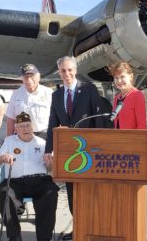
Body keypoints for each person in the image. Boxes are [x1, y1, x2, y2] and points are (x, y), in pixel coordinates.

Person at [45, 56, 109, 240]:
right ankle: (79, 228)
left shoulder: (89, 89)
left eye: (69, 70)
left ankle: (93, 228)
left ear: (75, 70)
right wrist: (48, 150)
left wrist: (100, 148)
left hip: (89, 152)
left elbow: (98, 120)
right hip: (69, 154)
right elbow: (52, 124)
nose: (67, 74)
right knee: (73, 193)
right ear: (59, 72)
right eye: (63, 71)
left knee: (89, 193)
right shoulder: (56, 95)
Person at [0, 112, 59, 241]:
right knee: (5, 194)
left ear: (33, 127)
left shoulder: (43, 143)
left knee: (51, 192)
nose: (25, 129)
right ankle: (14, 236)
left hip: (39, 180)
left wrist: (51, 163)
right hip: (15, 182)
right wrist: (3, 157)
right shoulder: (9, 141)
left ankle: (44, 238)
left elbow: (50, 169)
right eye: (21, 126)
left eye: (28, 126)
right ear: (16, 129)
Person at [5, 64, 53, 139]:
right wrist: (8, 140)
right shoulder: (16, 94)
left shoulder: (48, 93)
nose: (28, 79)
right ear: (22, 78)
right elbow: (11, 120)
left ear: (38, 76)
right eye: (26, 77)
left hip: (44, 136)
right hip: (21, 136)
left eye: (31, 76)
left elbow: (57, 118)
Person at [108, 61, 146, 129]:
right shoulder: (117, 98)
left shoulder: (137, 95)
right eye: (116, 78)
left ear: (131, 76)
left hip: (132, 138)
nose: (119, 81)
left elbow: (141, 124)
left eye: (122, 77)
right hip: (119, 138)